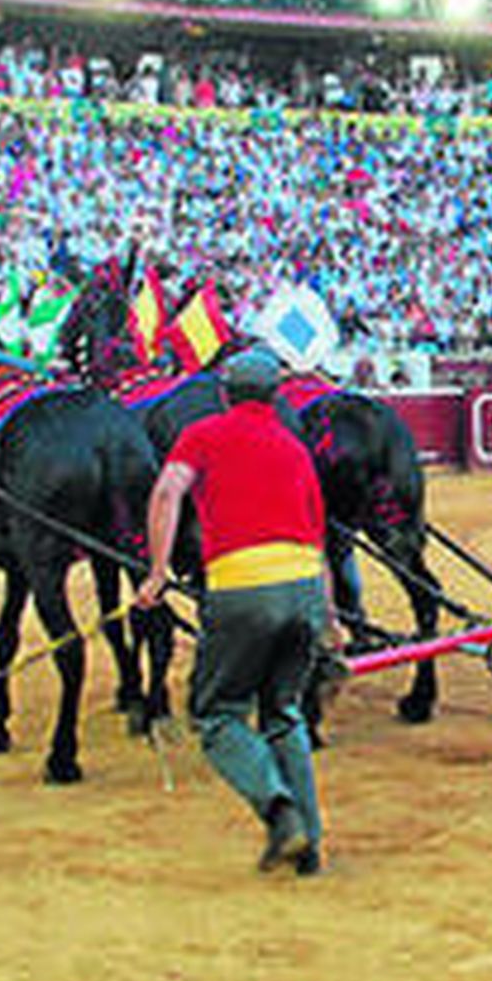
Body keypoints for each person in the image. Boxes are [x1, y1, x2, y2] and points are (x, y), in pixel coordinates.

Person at [137, 346, 338, 875]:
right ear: (275, 396)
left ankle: (278, 808)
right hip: (304, 591)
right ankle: (310, 846)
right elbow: (321, 544)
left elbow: (165, 494)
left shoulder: (203, 434)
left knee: (218, 712)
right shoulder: (295, 449)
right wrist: (332, 620)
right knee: (284, 712)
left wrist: (158, 572)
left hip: (243, 589)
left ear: (224, 393)